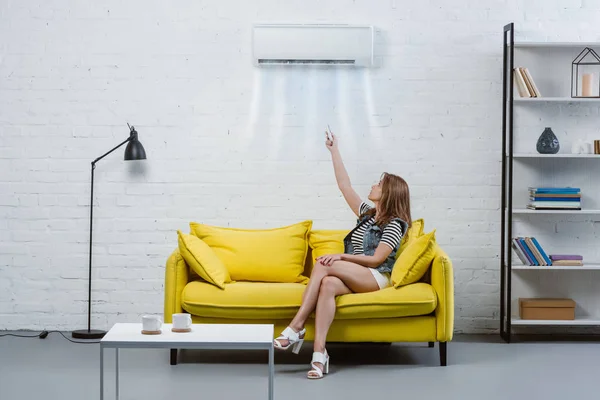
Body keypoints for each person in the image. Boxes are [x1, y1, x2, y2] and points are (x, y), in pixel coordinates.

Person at [273, 128, 412, 379]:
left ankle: (296, 327)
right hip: (356, 274)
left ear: (389, 193)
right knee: (327, 284)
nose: (373, 185)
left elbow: (377, 260)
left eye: (379, 184)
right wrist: (334, 150)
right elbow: (344, 184)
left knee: (325, 263)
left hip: (375, 276)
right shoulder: (367, 215)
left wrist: (341, 256)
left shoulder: (395, 223)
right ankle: (319, 355)